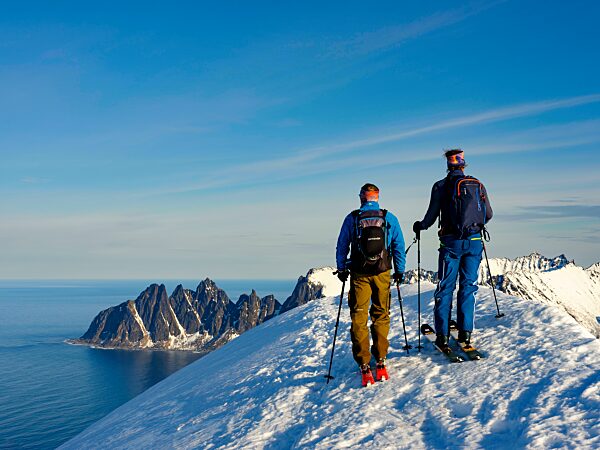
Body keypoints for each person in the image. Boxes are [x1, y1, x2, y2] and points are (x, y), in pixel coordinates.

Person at [413, 149, 493, 351]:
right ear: (464, 165)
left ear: (448, 165)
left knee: (446, 286)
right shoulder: (477, 185)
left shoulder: (440, 186)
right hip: (475, 241)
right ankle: (466, 332)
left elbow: (430, 217)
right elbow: (489, 214)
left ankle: (443, 336)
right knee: (469, 286)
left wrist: (420, 226)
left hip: (451, 243)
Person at [336, 183, 406, 386]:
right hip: (382, 272)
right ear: (377, 197)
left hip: (360, 273)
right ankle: (381, 359)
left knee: (359, 316)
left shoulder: (353, 218)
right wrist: (399, 271)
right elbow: (398, 246)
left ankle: (364, 364)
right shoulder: (389, 218)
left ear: (361, 198)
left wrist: (341, 269)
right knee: (381, 314)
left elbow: (342, 245)